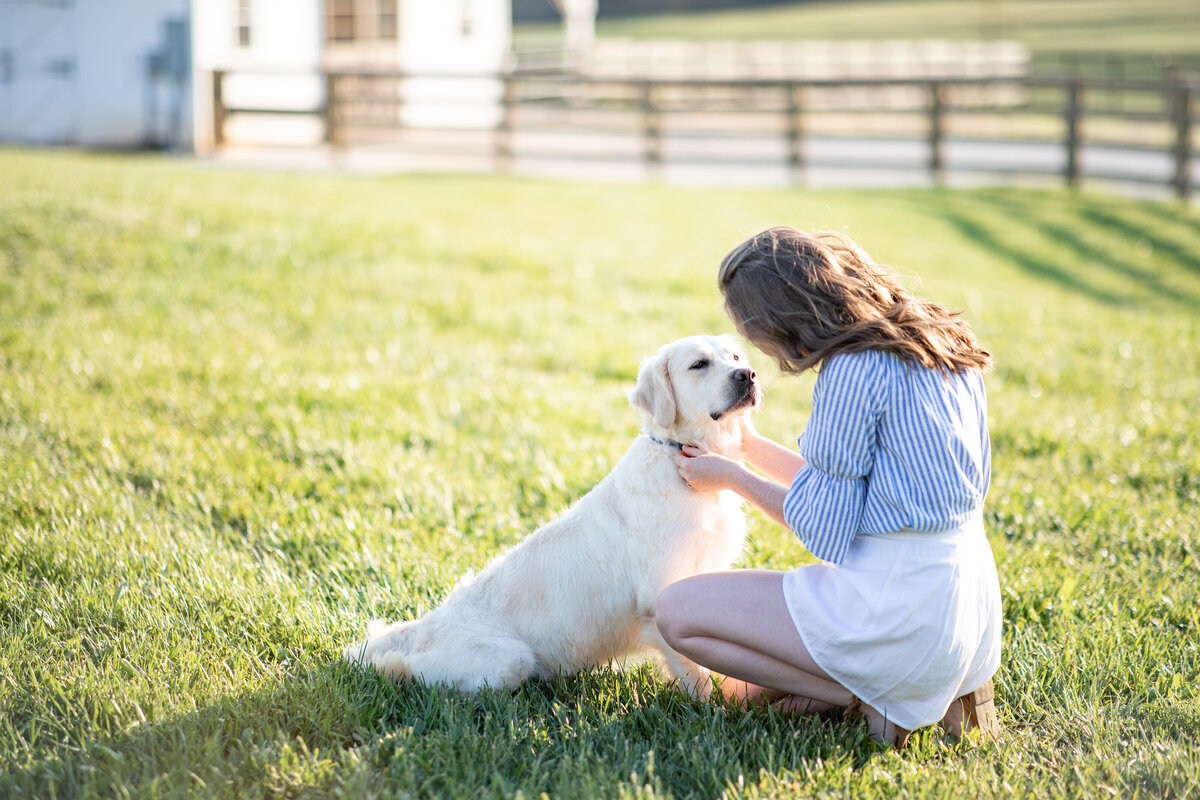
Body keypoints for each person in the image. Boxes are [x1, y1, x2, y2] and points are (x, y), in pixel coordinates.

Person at [657, 226, 1002, 746]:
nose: (759, 353)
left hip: (895, 610)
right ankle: (912, 690)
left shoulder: (853, 370)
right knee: (742, 695)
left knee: (675, 612)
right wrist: (748, 446)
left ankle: (869, 696)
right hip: (968, 608)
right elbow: (857, 490)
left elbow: (823, 526)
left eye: (755, 335)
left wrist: (731, 478)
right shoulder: (938, 339)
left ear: (782, 318)